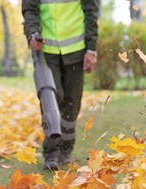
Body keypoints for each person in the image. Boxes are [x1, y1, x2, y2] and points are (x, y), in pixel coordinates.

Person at [22, 0, 99, 171]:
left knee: (72, 102)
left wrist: (91, 50)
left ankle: (65, 149)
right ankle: (51, 152)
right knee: (51, 97)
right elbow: (29, 9)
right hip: (46, 50)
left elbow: (91, 11)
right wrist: (32, 34)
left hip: (76, 50)